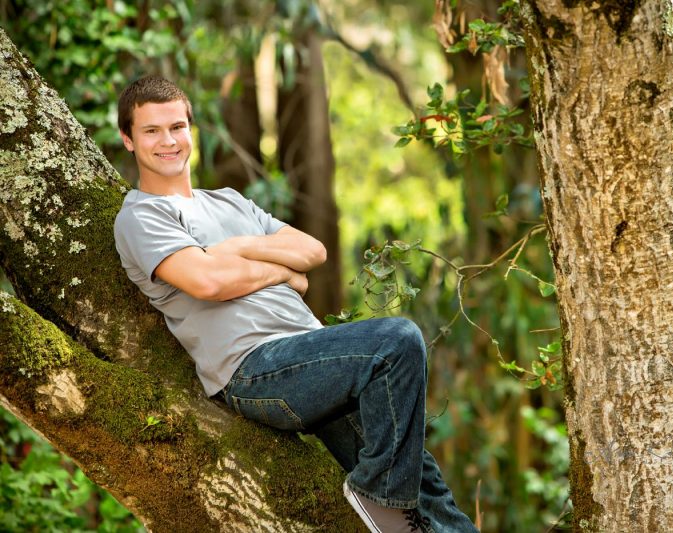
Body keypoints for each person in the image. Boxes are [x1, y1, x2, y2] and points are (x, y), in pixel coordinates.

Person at [113, 75, 478, 533]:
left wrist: (237, 249)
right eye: (151, 131)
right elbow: (206, 281)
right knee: (396, 341)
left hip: (313, 356)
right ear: (128, 139)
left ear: (191, 130)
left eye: (177, 127)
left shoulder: (229, 202)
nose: (168, 141)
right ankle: (378, 497)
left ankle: (401, 509)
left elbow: (312, 251)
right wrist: (280, 270)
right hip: (254, 369)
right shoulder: (142, 214)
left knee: (427, 489)